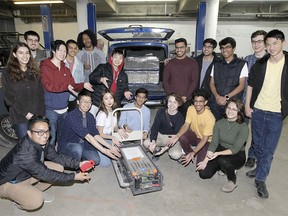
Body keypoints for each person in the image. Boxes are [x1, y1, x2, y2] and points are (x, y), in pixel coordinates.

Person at [0, 115, 91, 214]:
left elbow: (56, 156)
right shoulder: (24, 153)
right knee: (36, 201)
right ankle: (18, 203)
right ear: (29, 133)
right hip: (9, 182)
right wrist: (73, 177)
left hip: (27, 173)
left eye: (47, 131)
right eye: (39, 132)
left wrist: (79, 164)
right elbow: (46, 174)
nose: (44, 135)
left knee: (58, 167)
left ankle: (32, 191)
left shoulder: (41, 141)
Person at [245, 29, 288, 198]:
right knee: (258, 145)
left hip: (277, 114)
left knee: (268, 149)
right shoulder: (260, 64)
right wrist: (247, 106)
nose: (271, 48)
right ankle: (258, 169)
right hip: (258, 110)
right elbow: (250, 86)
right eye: (268, 44)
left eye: (274, 43)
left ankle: (261, 180)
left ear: (282, 42)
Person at [41, 40, 93, 146]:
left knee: (62, 135)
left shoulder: (65, 68)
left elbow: (72, 84)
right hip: (51, 109)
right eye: (60, 50)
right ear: (53, 51)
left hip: (64, 108)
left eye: (64, 51)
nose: (63, 53)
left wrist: (83, 85)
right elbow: (48, 86)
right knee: (51, 137)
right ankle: (48, 159)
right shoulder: (46, 67)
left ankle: (60, 155)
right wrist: (65, 86)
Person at [196, 99, 249, 193]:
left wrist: (217, 154)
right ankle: (223, 167)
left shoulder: (243, 127)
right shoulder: (219, 123)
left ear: (239, 112)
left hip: (237, 154)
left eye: (234, 109)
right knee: (204, 174)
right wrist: (205, 161)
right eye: (229, 108)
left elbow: (235, 149)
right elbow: (214, 143)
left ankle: (232, 180)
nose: (230, 111)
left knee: (223, 160)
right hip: (220, 149)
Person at [58, 89, 121, 168]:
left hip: (84, 144)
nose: (86, 104)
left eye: (89, 102)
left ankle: (80, 158)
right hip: (68, 144)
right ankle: (73, 165)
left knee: (96, 160)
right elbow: (87, 136)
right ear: (78, 102)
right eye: (83, 101)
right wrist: (104, 151)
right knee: (77, 149)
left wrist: (110, 147)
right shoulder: (72, 116)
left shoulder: (90, 116)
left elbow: (95, 134)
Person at [2, 42, 45, 140]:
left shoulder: (35, 71)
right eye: (21, 53)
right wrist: (26, 113)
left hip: (37, 115)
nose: (25, 56)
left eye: (27, 52)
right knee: (26, 147)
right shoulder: (7, 73)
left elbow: (40, 95)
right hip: (20, 117)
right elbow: (9, 98)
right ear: (14, 54)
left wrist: (40, 115)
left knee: (39, 145)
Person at [167, 89, 215, 166]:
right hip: (195, 135)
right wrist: (177, 136)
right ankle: (188, 153)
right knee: (181, 136)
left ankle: (195, 153)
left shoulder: (210, 118)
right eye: (196, 101)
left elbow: (204, 139)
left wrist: (194, 152)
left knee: (201, 169)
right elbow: (186, 124)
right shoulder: (191, 108)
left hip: (205, 141)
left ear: (205, 102)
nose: (198, 104)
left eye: (201, 101)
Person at [209, 37, 248, 121]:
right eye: (222, 48)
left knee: (231, 128)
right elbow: (211, 83)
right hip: (216, 104)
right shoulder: (216, 64)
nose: (224, 50)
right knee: (216, 127)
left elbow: (242, 85)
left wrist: (226, 97)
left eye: (228, 47)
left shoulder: (241, 64)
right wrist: (217, 96)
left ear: (234, 48)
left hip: (232, 105)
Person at [243, 30, 267, 168]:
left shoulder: (271, 60)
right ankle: (241, 153)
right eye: (254, 41)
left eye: (259, 41)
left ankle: (252, 156)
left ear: (265, 43)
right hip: (246, 101)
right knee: (243, 129)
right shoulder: (247, 60)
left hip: (263, 104)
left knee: (258, 133)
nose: (256, 44)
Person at [89, 48, 132, 115]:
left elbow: (125, 87)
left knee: (108, 125)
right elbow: (91, 77)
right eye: (115, 57)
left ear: (122, 60)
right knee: (91, 122)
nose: (117, 60)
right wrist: (101, 79)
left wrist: (126, 91)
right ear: (111, 58)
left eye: (120, 58)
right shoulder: (102, 67)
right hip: (97, 102)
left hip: (112, 105)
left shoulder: (124, 75)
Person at [163, 38, 199, 118]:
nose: (179, 50)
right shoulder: (169, 63)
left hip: (186, 101)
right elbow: (165, 81)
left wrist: (185, 96)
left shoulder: (193, 63)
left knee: (185, 124)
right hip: (172, 101)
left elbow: (194, 81)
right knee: (170, 124)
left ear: (186, 48)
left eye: (181, 47)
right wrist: (171, 97)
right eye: (177, 47)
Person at [144, 93, 184, 161]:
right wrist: (153, 141)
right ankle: (157, 148)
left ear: (179, 104)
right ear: (167, 102)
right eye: (170, 101)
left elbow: (175, 136)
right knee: (147, 143)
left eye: (175, 102)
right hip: (160, 135)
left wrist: (165, 149)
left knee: (176, 154)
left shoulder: (180, 117)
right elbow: (155, 127)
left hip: (171, 138)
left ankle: (168, 149)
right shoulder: (160, 112)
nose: (172, 105)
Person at [64, 39, 85, 111]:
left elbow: (82, 80)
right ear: (66, 49)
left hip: (74, 96)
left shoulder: (80, 64)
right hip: (62, 96)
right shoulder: (61, 63)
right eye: (71, 48)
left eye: (75, 48)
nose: (73, 50)